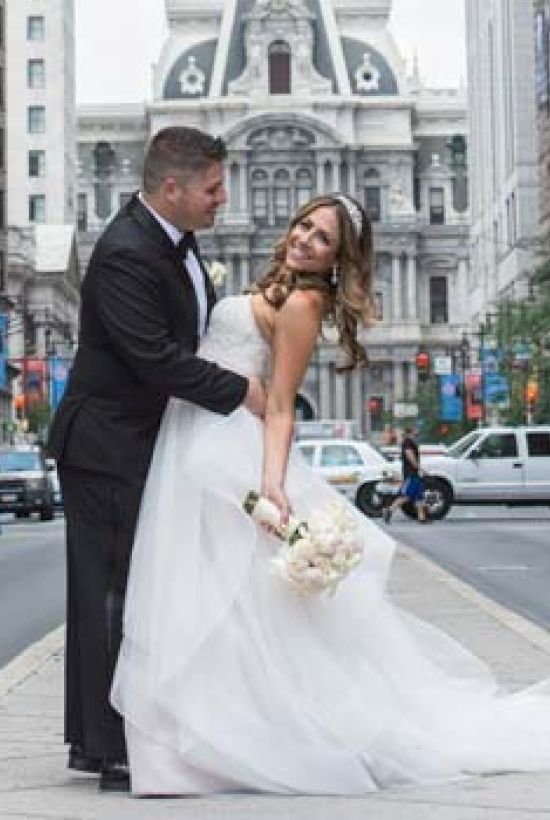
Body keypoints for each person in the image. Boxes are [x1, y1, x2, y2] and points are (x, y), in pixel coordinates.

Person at [111, 194, 550, 797]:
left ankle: (223, 744)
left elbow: (284, 402)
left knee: (225, 602)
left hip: (223, 447)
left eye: (322, 238)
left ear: (339, 260)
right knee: (212, 598)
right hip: (199, 435)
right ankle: (202, 743)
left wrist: (271, 481)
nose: (304, 239)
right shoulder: (282, 288)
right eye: (304, 225)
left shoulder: (304, 301)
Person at [47, 126, 265, 791]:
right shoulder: (124, 252)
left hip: (147, 440)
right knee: (109, 593)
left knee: (138, 590)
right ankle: (114, 749)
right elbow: (153, 357)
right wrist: (242, 391)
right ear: (171, 188)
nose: (223, 198)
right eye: (212, 187)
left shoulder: (174, 242)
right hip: (107, 444)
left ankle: (113, 735)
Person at [383, 426, 429, 524]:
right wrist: (420, 468)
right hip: (410, 474)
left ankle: (422, 518)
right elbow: (410, 456)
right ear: (411, 431)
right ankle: (389, 510)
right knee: (406, 496)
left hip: (414, 474)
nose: (418, 430)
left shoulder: (411, 441)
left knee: (419, 496)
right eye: (416, 429)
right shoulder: (407, 442)